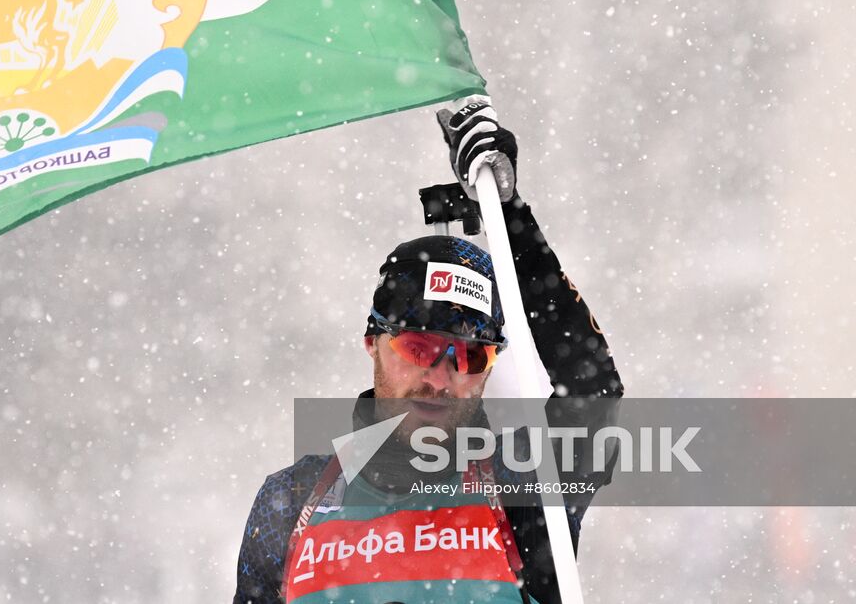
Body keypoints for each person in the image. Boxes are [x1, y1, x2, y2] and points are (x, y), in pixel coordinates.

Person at [232, 97, 623, 604]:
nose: (440, 380)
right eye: (419, 347)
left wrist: (509, 218)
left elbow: (592, 389)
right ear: (372, 342)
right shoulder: (290, 502)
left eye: (467, 358)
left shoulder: (525, 485)